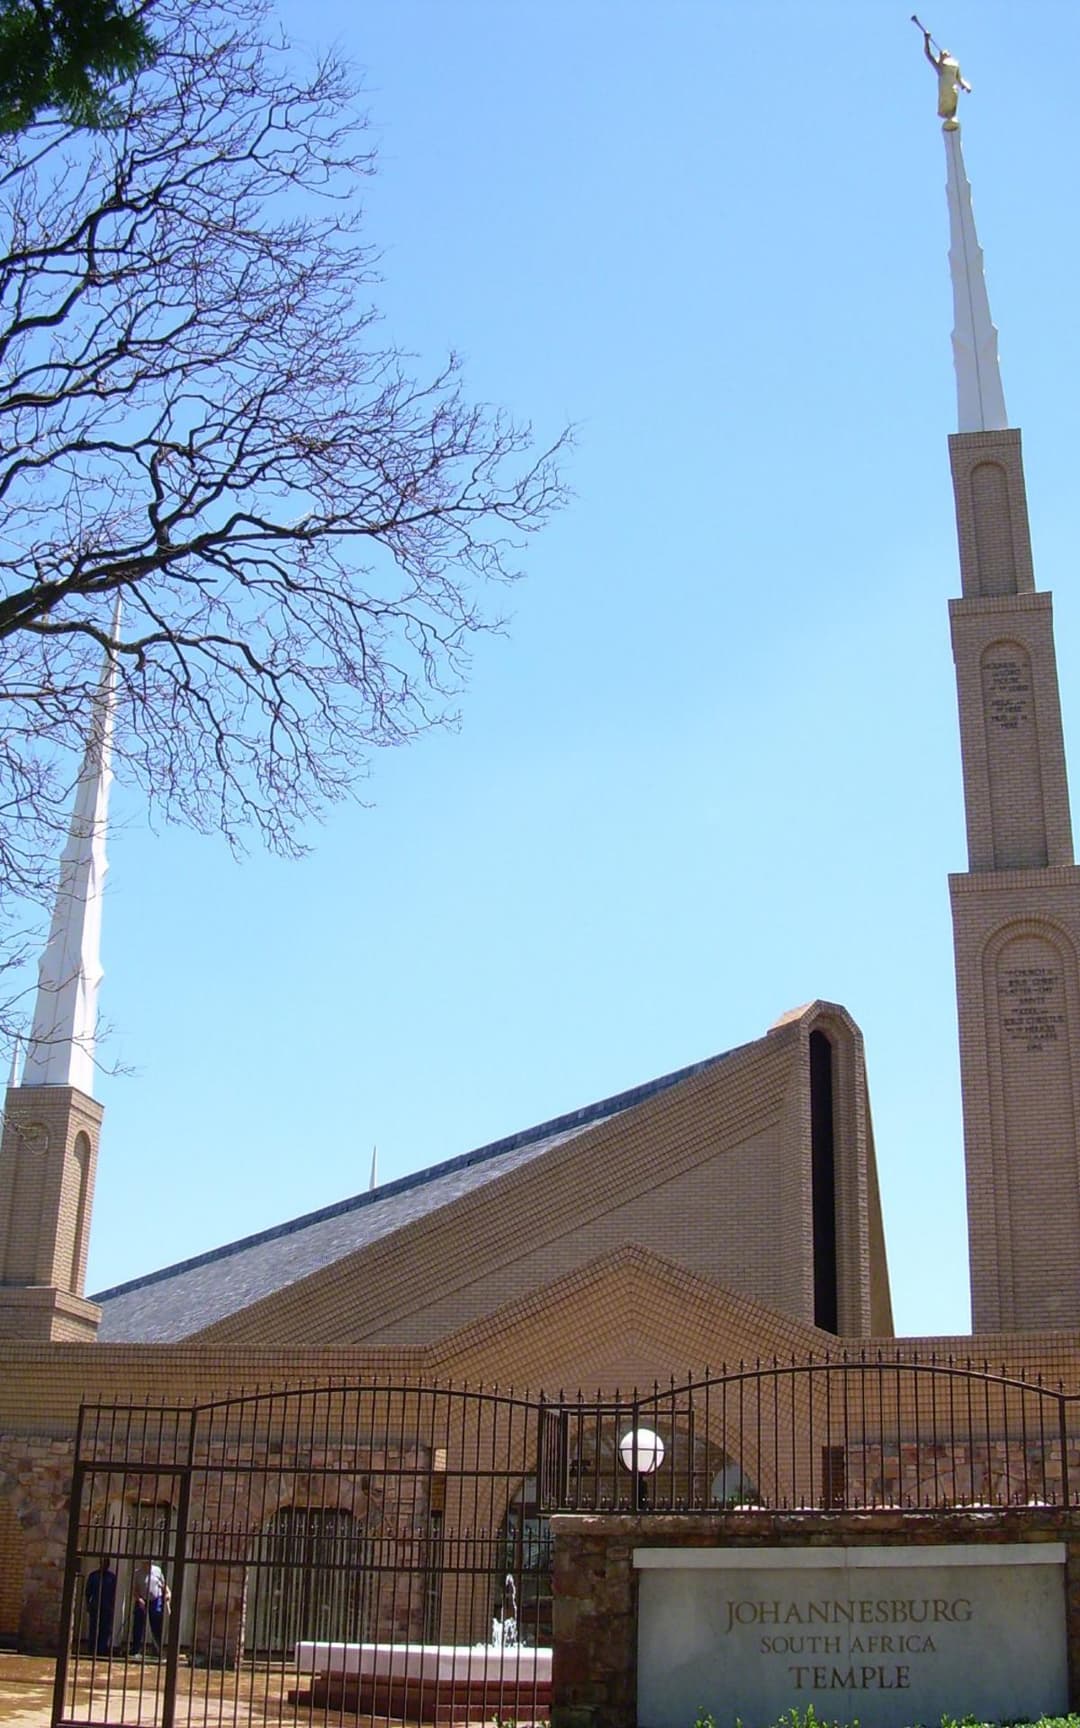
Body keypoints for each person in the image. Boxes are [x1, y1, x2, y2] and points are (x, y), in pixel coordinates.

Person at [131, 1560, 170, 1659]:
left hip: (155, 1600)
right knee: (138, 1625)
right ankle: (135, 1649)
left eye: (148, 1563)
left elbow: (164, 1586)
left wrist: (167, 1594)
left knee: (156, 1624)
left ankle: (158, 1650)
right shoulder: (138, 1573)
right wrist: (139, 1600)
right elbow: (135, 1590)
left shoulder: (157, 1571)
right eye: (144, 1563)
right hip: (142, 1600)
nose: (146, 1565)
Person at [84, 1557, 116, 1657]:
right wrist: (88, 1604)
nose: (105, 1565)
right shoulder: (93, 1576)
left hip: (106, 1607)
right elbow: (87, 1592)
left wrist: (112, 1606)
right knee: (94, 1628)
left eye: (106, 1563)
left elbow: (113, 1593)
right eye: (103, 1563)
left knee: (105, 1629)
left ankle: (102, 1649)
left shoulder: (111, 1577)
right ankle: (92, 1649)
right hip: (95, 1605)